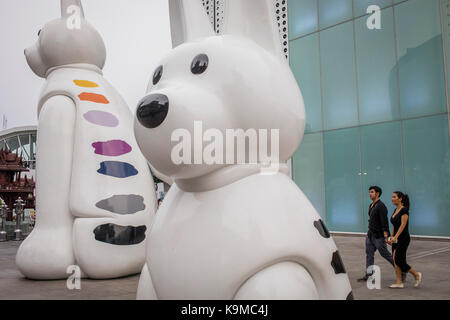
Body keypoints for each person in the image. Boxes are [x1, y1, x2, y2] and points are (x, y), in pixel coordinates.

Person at [358, 186, 394, 282]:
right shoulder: (372, 205)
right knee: (369, 254)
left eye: (372, 192)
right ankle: (369, 275)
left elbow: (384, 221)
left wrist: (386, 235)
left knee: (385, 254)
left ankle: (401, 270)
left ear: (377, 193)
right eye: (369, 192)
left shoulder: (381, 206)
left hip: (378, 236)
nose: (370, 194)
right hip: (370, 234)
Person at [388, 191, 422, 288]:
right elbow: (395, 225)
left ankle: (416, 274)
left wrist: (396, 237)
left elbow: (403, 225)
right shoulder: (395, 210)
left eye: (394, 197)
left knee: (399, 260)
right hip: (395, 239)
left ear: (400, 199)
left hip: (403, 238)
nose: (392, 198)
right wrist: (391, 236)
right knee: (395, 261)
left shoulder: (404, 210)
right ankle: (399, 282)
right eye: (392, 197)